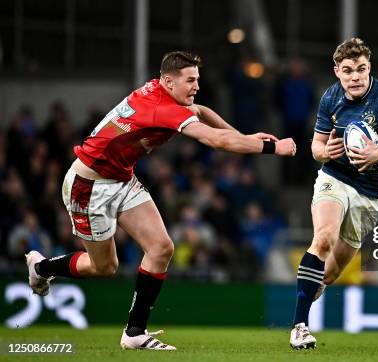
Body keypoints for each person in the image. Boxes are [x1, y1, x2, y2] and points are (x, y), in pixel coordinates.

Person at [24, 51, 296, 351]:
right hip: (88, 186)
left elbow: (201, 111)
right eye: (190, 80)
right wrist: (272, 148)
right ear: (168, 81)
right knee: (104, 267)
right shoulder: (162, 109)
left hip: (121, 178)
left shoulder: (162, 92)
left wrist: (242, 135)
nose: (196, 86)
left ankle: (134, 334)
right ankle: (42, 268)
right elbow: (216, 141)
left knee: (161, 247)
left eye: (197, 79)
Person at [289, 38, 378, 349]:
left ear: (369, 69)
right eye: (348, 71)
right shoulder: (330, 97)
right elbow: (315, 147)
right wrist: (324, 152)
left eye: (361, 70)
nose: (355, 77)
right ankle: (299, 326)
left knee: (328, 276)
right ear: (336, 72)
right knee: (323, 238)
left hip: (370, 195)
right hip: (335, 178)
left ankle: (309, 287)